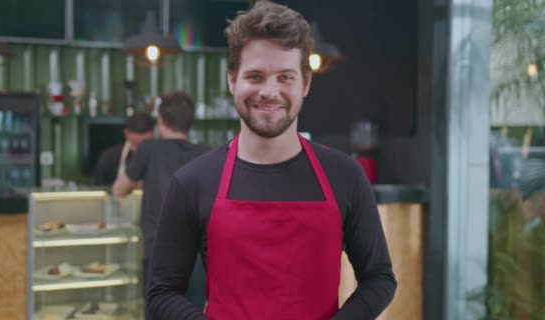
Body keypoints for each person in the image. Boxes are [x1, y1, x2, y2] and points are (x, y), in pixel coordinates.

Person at [146, 1, 397, 319]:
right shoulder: (192, 181)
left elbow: (379, 278)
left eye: (285, 77)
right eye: (255, 76)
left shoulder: (344, 175)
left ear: (305, 83)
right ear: (232, 81)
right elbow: (162, 292)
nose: (269, 91)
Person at [112, 91, 210, 317]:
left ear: (160, 120)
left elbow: (119, 189)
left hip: (158, 251)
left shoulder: (148, 149)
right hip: (198, 257)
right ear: (191, 122)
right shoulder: (205, 152)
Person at [93, 112, 154, 186]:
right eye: (136, 144)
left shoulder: (161, 157)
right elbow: (100, 187)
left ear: (153, 134)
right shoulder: (109, 157)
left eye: (145, 144)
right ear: (126, 134)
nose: (141, 149)